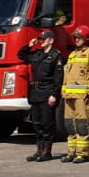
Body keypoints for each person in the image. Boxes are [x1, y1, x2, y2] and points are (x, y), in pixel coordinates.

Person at [16, 30, 62, 162]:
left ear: (51, 40)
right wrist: (29, 46)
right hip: (36, 93)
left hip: (47, 92)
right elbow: (21, 55)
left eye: (43, 39)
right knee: (36, 123)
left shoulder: (56, 56)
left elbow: (58, 78)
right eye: (40, 39)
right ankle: (39, 151)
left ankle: (47, 152)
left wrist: (54, 94)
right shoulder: (37, 54)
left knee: (47, 123)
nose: (41, 41)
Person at [60, 25, 89, 163]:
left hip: (82, 97)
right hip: (69, 96)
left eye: (79, 37)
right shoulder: (72, 55)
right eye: (75, 37)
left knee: (82, 125)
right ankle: (71, 152)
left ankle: (82, 153)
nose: (76, 39)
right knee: (70, 125)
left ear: (86, 38)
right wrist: (64, 90)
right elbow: (66, 75)